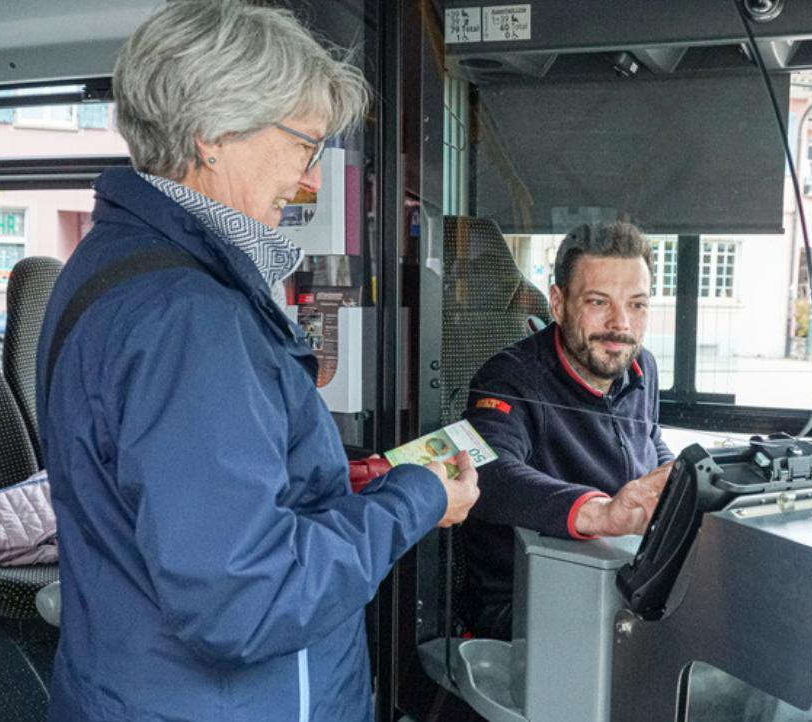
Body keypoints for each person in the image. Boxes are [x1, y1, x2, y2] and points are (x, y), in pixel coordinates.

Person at [34, 2, 478, 720]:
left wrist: (330, 481)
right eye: (305, 146)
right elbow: (251, 601)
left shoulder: (112, 265)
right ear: (214, 134)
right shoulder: (191, 318)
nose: (311, 182)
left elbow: (175, 494)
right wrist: (418, 499)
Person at [462, 221, 674, 640]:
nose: (621, 324)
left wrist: (680, 483)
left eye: (637, 305)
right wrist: (600, 514)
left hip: (618, 580)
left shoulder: (640, 365)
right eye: (598, 302)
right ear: (558, 304)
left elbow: (649, 441)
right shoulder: (510, 378)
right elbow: (485, 469)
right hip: (527, 601)